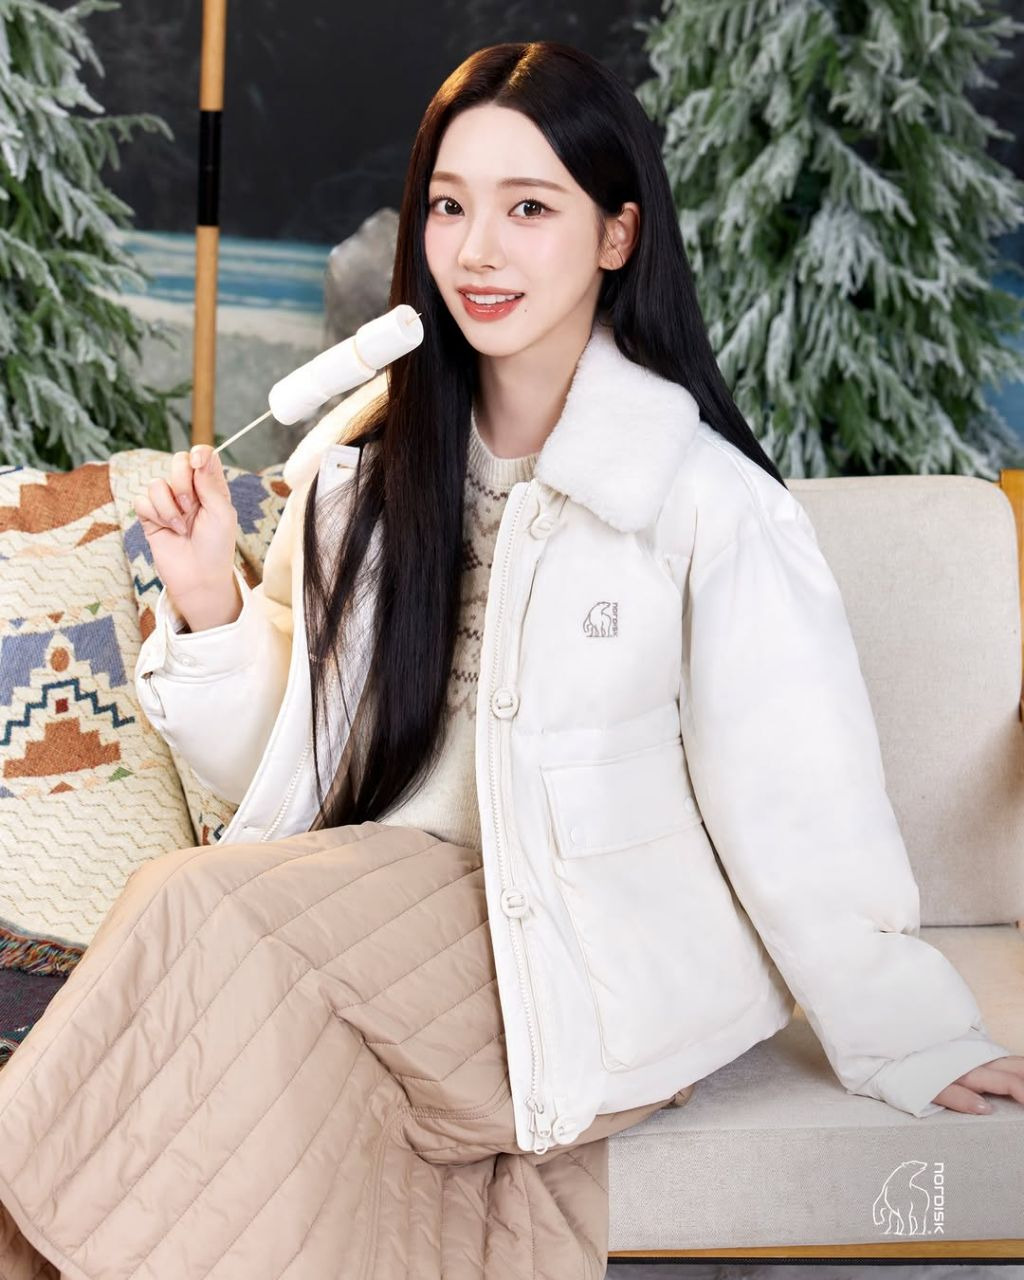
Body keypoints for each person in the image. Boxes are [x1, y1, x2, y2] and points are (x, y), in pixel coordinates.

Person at [1, 38, 1021, 1280]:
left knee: (195, 910)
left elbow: (798, 793)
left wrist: (909, 1029)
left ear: (616, 234)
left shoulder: (703, 503)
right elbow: (293, 759)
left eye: (528, 208)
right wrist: (207, 594)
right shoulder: (363, 470)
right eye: (449, 206)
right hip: (379, 904)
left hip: (587, 953)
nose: (477, 250)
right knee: (223, 1028)